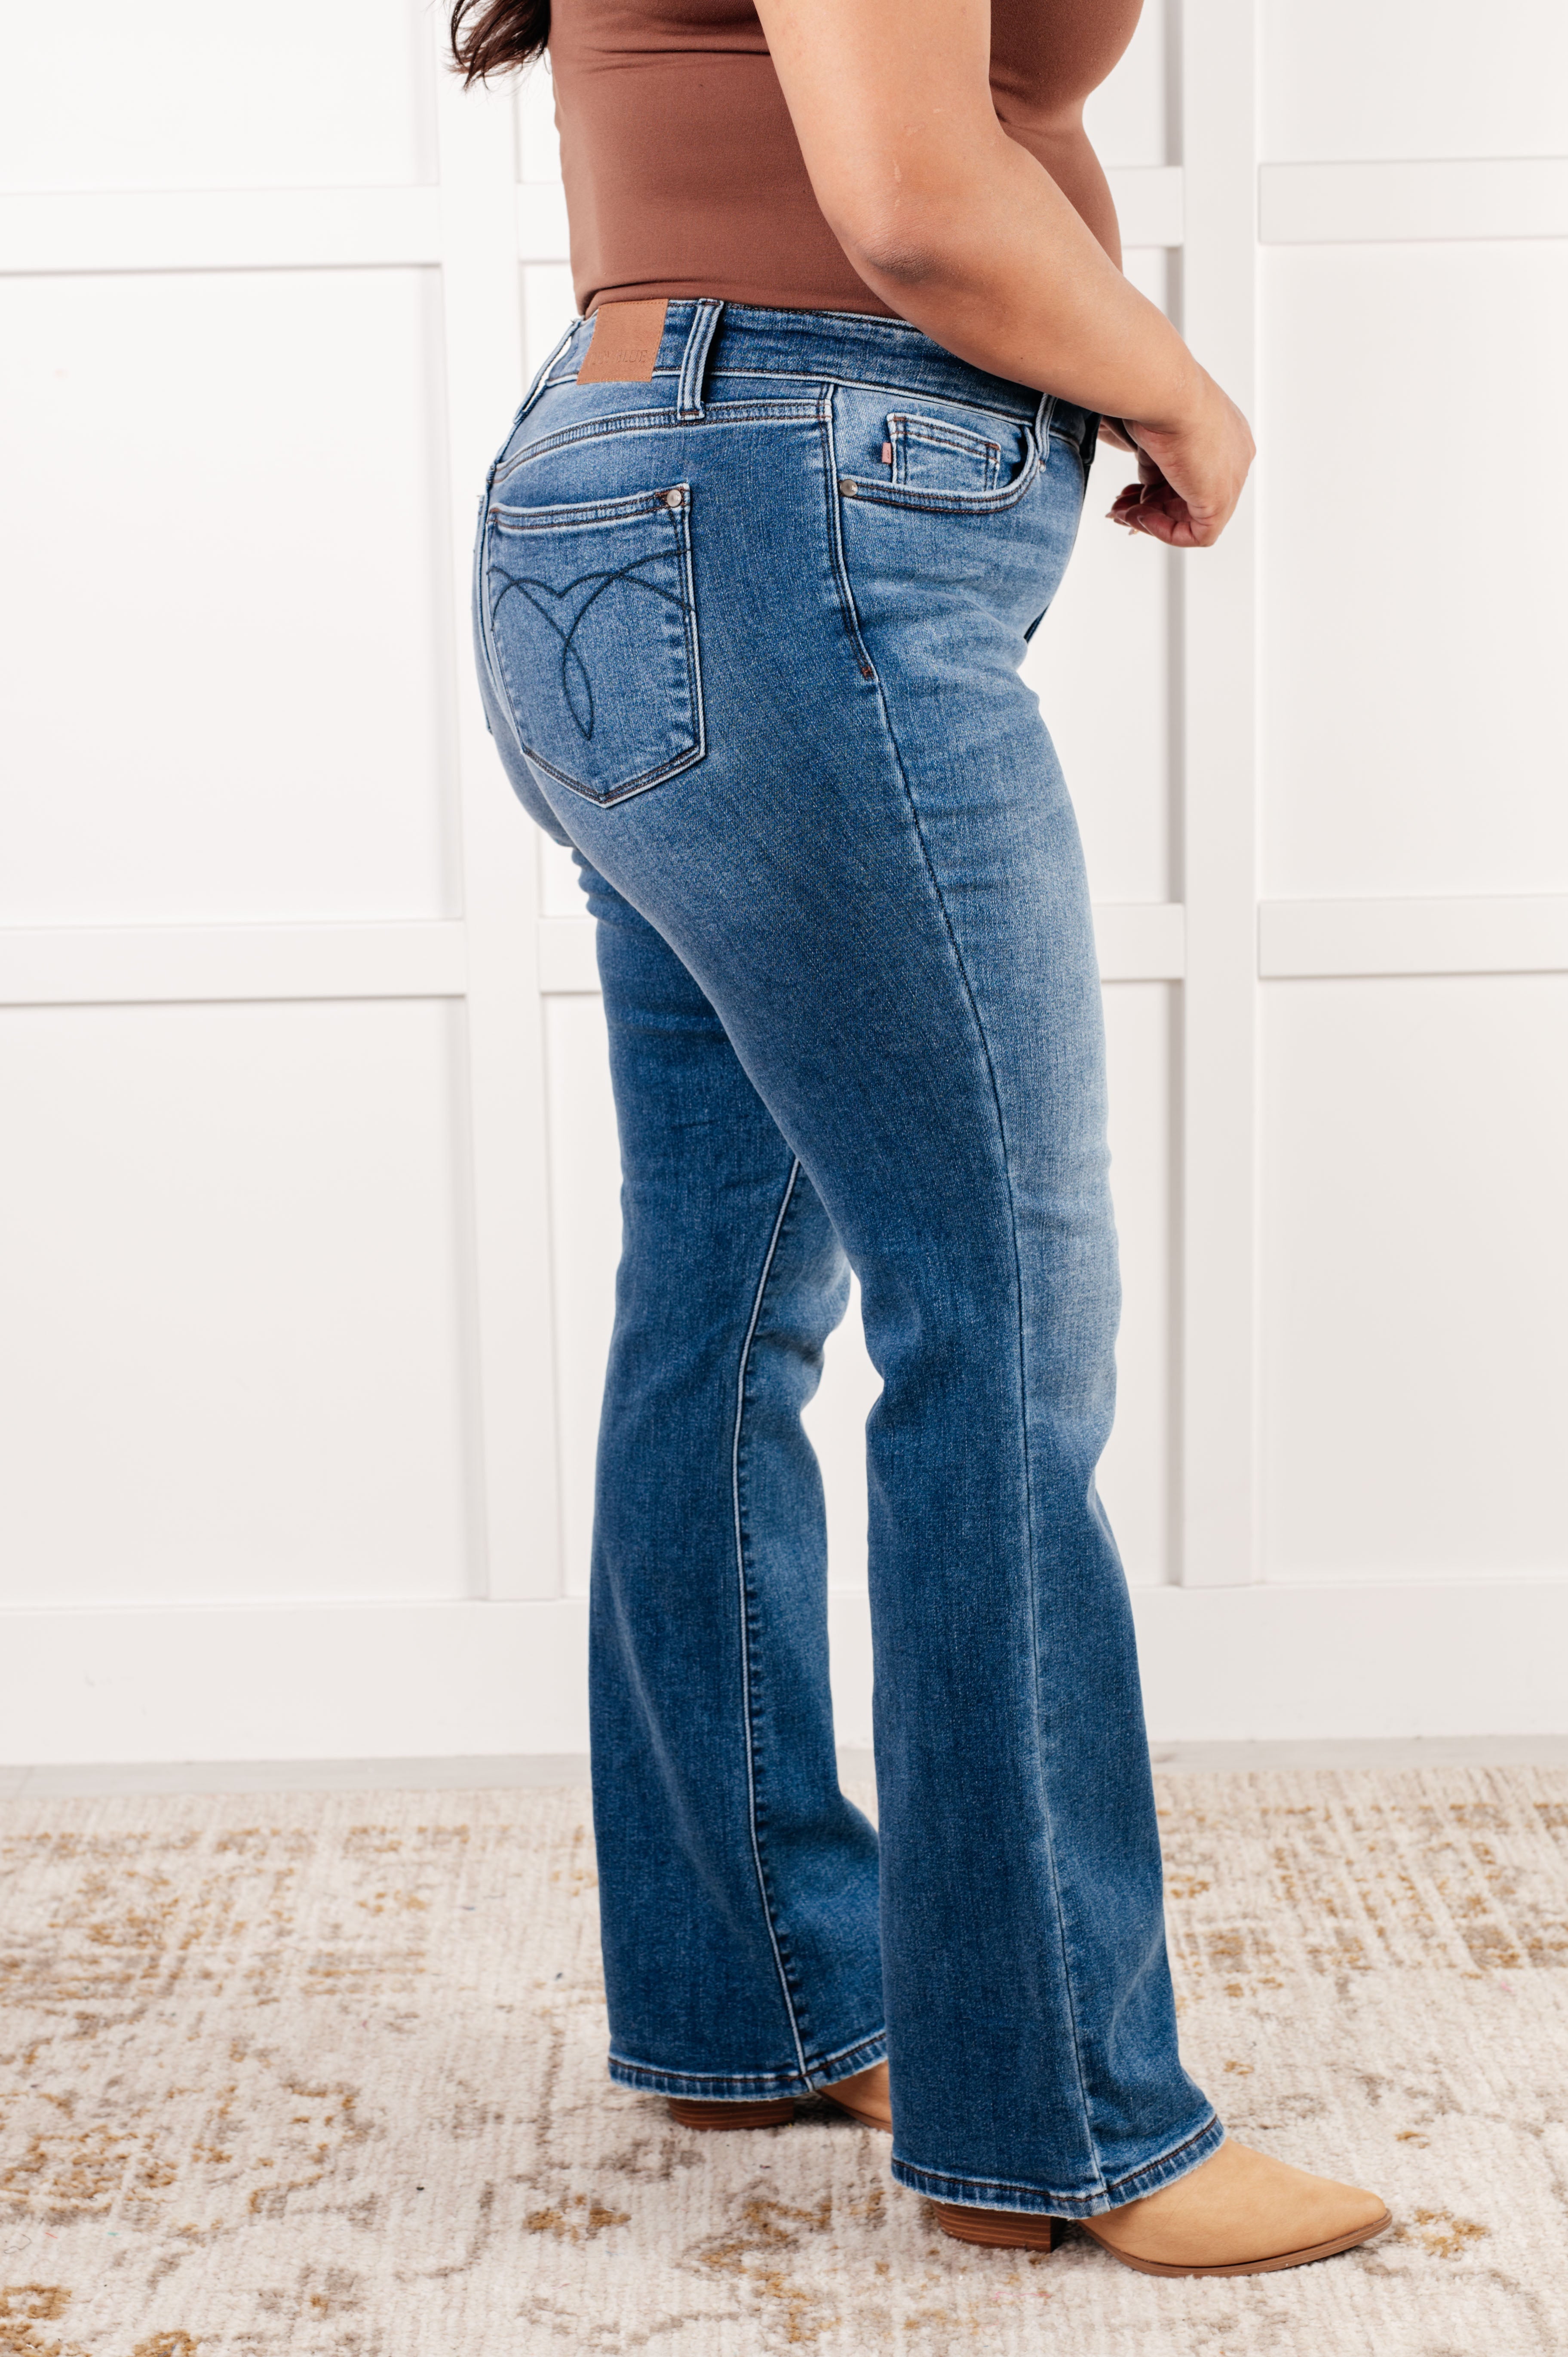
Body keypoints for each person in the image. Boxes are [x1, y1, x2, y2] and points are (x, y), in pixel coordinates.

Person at [454, 0, 1389, 2275]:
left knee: (725, 1299)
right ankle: (1064, 2113)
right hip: (805, 507)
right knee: (1004, 1323)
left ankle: (758, 1993)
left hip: (652, 485)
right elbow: (909, 200)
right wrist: (1181, 386)